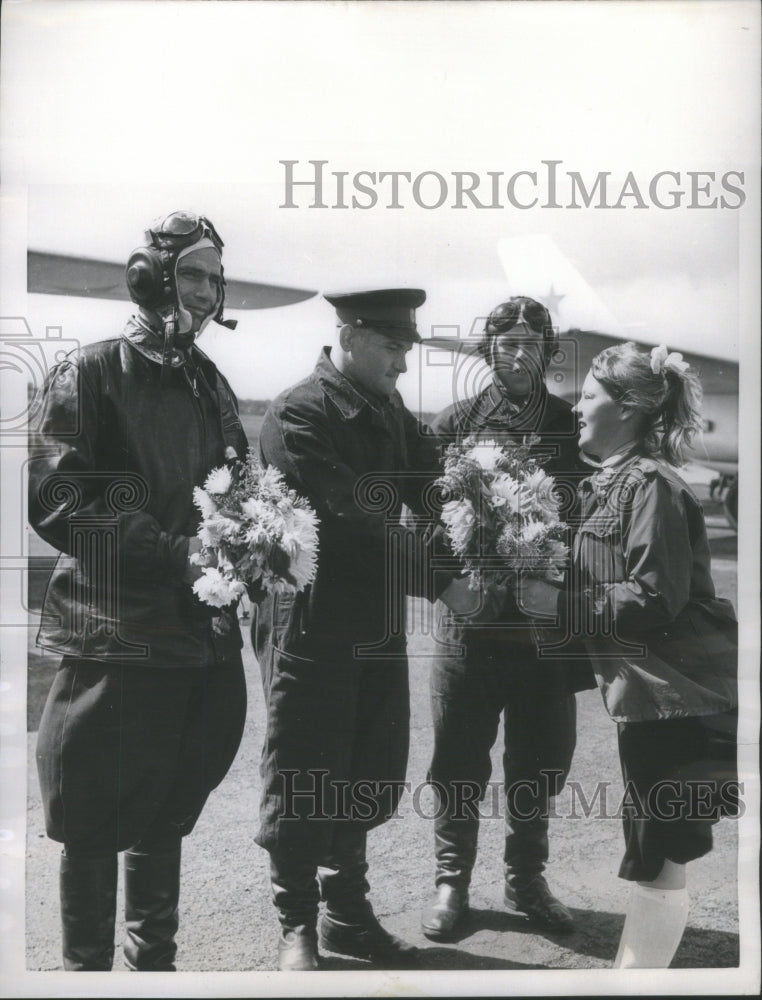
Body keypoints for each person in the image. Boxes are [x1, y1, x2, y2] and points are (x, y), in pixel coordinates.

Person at [28, 211, 249, 971]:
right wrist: (175, 555)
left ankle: (154, 972)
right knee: (93, 818)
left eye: (215, 278)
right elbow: (60, 503)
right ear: (149, 277)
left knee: (165, 813)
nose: (207, 291)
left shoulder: (209, 383)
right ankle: (85, 978)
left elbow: (239, 491)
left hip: (195, 640)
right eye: (194, 274)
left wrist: (255, 544)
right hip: (114, 637)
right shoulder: (89, 372)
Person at [253, 288, 476, 971]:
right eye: (390, 348)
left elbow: (426, 484)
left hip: (372, 618)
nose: (402, 365)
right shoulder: (301, 411)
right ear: (348, 338)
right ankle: (296, 925)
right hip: (311, 620)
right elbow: (353, 516)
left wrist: (477, 520)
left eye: (407, 349)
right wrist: (443, 580)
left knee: (363, 769)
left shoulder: (386, 410)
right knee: (304, 767)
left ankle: (346, 914)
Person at [519, 341, 738, 968]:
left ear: (631, 408)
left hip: (679, 701)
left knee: (660, 849)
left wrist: (558, 603)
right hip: (655, 698)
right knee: (654, 845)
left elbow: (654, 600)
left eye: (588, 395)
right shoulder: (616, 481)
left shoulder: (649, 485)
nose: (576, 405)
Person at [420, 297, 592, 942]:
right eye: (504, 341)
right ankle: (451, 880)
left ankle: (526, 878)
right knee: (458, 759)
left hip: (545, 633)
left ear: (548, 352)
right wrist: (451, 583)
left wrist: (556, 568)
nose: (517, 353)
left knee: (541, 761)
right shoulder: (453, 424)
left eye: (530, 341)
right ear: (487, 349)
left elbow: (596, 522)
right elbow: (424, 523)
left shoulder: (574, 427)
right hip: (471, 627)